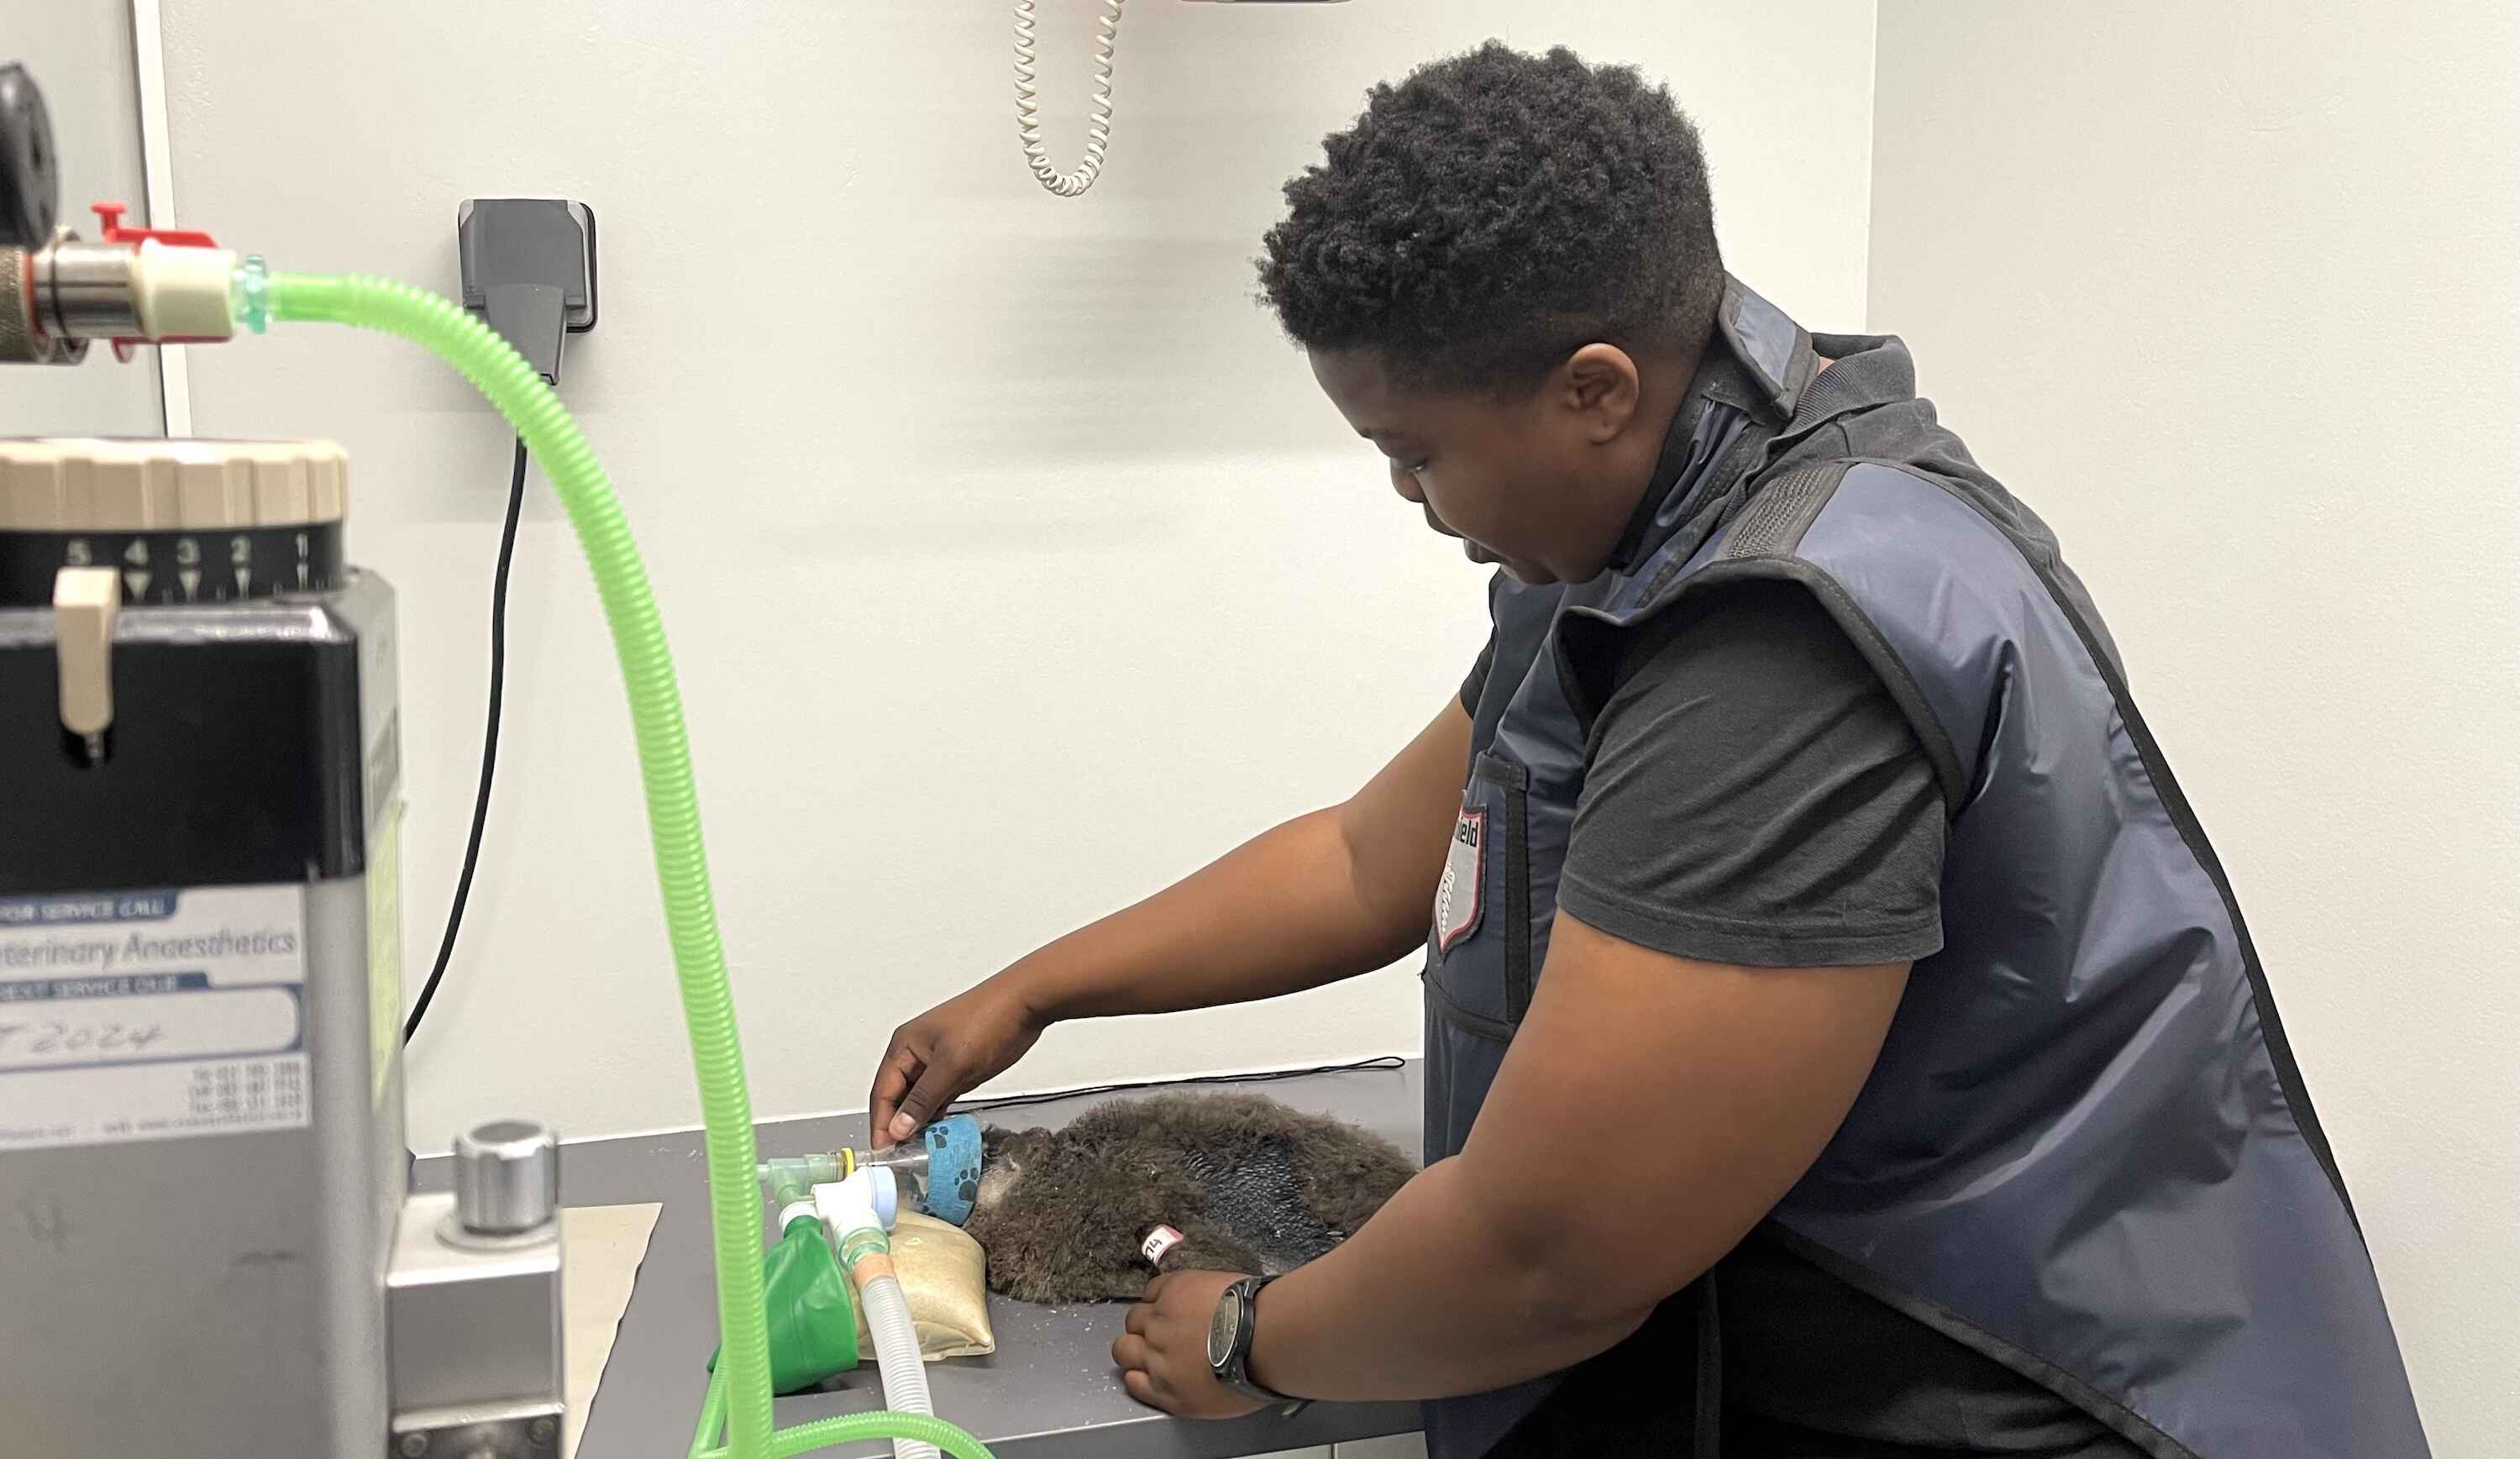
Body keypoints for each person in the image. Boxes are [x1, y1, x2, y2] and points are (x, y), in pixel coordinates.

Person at [868, 42, 2429, 1459]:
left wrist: (1246, 1334)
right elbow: (1368, 856)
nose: (1410, 496)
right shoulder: (1636, 544)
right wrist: (1031, 989)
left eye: (1416, 451)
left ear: (1595, 391)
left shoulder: (1780, 646)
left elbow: (1553, 1253)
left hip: (2036, 1391)